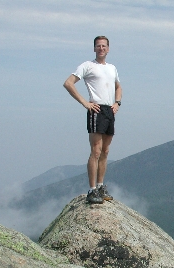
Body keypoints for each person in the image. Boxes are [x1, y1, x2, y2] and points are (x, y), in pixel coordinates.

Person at [63, 36, 122, 204]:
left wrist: (117, 103)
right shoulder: (87, 66)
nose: (101, 48)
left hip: (109, 110)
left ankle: (101, 186)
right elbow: (68, 83)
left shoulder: (112, 68)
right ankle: (92, 189)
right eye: (98, 46)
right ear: (94, 49)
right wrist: (85, 103)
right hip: (96, 109)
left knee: (105, 151)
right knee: (96, 151)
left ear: (108, 49)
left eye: (104, 46)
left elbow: (118, 86)